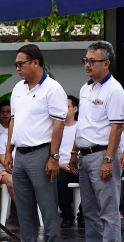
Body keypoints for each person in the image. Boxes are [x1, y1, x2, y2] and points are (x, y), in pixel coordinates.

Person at [4, 44, 67, 242]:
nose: (17, 68)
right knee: (23, 209)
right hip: (20, 155)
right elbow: (13, 121)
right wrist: (8, 152)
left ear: (35, 63)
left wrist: (54, 157)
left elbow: (59, 125)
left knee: (48, 208)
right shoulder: (18, 88)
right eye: (16, 64)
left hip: (41, 154)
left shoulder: (53, 88)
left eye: (20, 64)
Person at [70, 41, 124, 241]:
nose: (87, 65)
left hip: (102, 155)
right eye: (86, 60)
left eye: (93, 61)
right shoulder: (86, 88)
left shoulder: (115, 90)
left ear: (106, 63)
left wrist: (108, 160)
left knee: (108, 213)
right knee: (90, 212)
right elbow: (82, 123)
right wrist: (75, 153)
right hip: (84, 156)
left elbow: (117, 128)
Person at [58, 95, 84, 228]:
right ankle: (67, 215)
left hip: (81, 165)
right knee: (59, 181)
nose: (64, 109)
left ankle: (82, 215)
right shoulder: (56, 127)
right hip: (61, 166)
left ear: (75, 109)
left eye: (67, 106)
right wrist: (61, 165)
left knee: (90, 180)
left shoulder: (82, 127)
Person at [0, 118, 15, 202]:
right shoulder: (4, 136)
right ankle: (23, 210)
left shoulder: (27, 135)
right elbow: (3, 159)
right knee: (12, 181)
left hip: (25, 169)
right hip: (7, 170)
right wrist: (13, 169)